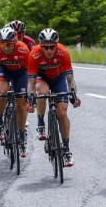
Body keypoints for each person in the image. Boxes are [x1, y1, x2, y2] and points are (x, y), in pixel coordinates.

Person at [27, 28, 81, 167]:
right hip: (41, 78)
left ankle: (67, 149)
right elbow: (31, 83)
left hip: (58, 79)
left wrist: (74, 96)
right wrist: (31, 100)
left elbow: (70, 80)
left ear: (57, 45)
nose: (49, 50)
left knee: (62, 112)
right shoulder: (34, 54)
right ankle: (40, 123)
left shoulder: (63, 52)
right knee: (43, 91)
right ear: (40, 45)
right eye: (45, 47)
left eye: (52, 47)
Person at [0, 26, 31, 157]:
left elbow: (31, 73)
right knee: (1, 92)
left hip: (21, 72)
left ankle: (22, 132)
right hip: (5, 70)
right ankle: (0, 121)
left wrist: (30, 93)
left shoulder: (23, 49)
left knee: (21, 104)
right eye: (2, 44)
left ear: (15, 42)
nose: (5, 47)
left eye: (8, 44)